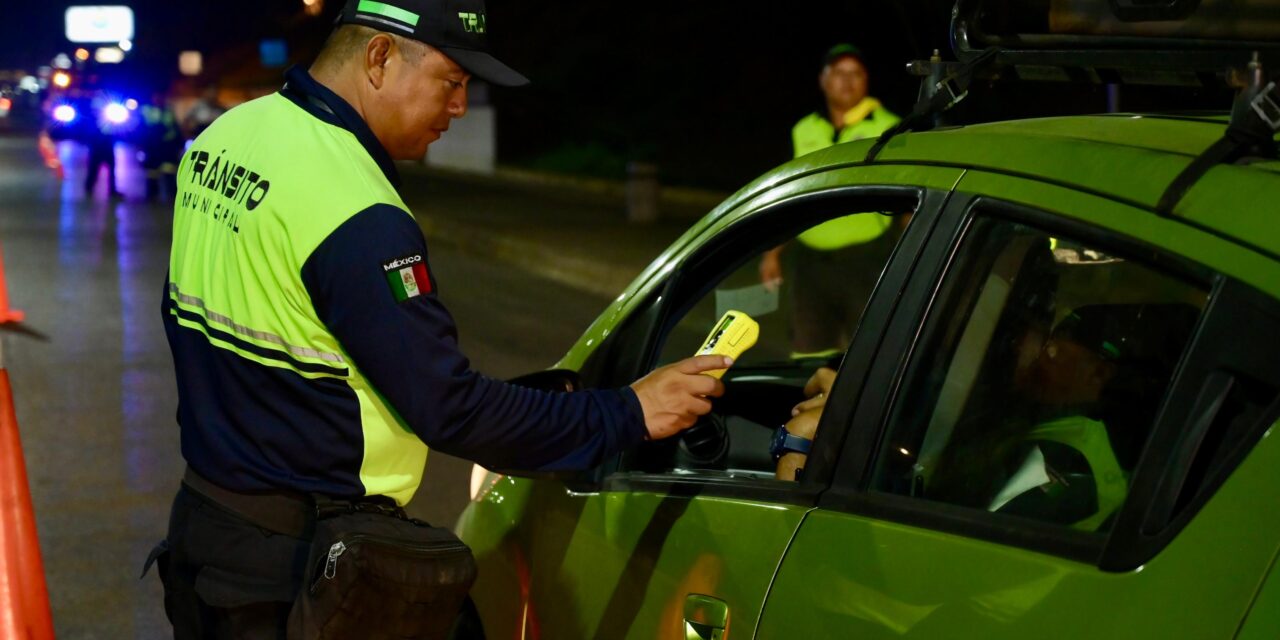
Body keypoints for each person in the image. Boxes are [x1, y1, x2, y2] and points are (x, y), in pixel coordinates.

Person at [149, 0, 729, 636]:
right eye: (451, 83)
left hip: (209, 529)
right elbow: (448, 408)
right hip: (299, 568)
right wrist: (630, 412)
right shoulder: (356, 208)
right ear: (379, 58)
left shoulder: (228, 137)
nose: (458, 108)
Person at [759, 44, 903, 358]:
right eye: (839, 73)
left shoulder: (890, 127)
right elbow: (788, 196)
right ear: (823, 80)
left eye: (856, 74)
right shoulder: (804, 129)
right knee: (809, 355)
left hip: (868, 259)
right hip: (811, 264)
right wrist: (772, 254)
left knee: (871, 353)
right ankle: (810, 407)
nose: (847, 81)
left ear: (867, 81)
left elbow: (909, 197)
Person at [140, 90, 182, 201]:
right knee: (152, 173)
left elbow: (175, 127)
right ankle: (152, 195)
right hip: (153, 146)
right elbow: (143, 128)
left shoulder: (168, 110)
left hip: (167, 147)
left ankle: (172, 196)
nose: (159, 99)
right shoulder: (147, 110)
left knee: (169, 171)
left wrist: (178, 144)